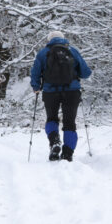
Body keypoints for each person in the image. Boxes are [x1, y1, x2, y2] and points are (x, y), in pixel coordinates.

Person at [30, 30, 92, 162]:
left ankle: (54, 142)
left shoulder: (42, 53)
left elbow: (35, 72)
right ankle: (67, 153)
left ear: (49, 40)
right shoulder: (72, 51)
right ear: (63, 39)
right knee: (70, 123)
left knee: (51, 119)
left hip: (50, 92)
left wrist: (36, 87)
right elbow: (86, 73)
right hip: (72, 92)